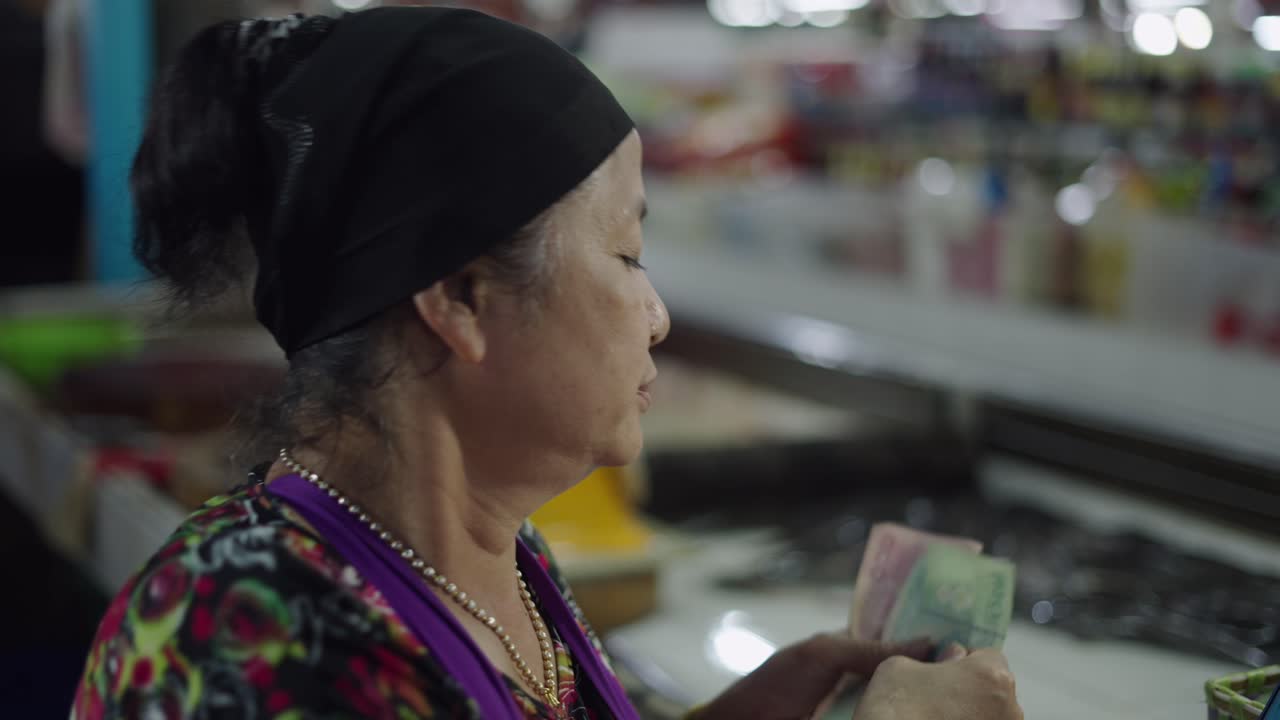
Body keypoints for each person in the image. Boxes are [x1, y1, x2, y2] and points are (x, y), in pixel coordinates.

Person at [70, 7, 1023, 719]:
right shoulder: (253, 646)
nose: (653, 315)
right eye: (624, 252)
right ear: (461, 297)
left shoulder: (478, 551)